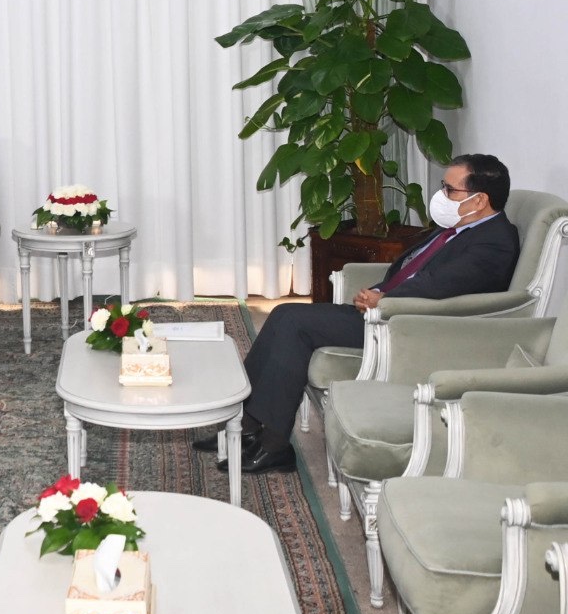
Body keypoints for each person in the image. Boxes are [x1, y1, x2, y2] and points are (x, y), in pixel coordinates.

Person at [195, 153, 520, 474]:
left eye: (450, 190)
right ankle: (247, 423)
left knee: (294, 322)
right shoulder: (461, 227)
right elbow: (415, 270)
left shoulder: (494, 242)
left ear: (479, 200)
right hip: (388, 309)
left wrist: (384, 297)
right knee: (283, 315)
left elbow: (441, 286)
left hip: (408, 325)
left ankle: (275, 444)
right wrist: (380, 290)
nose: (441, 196)